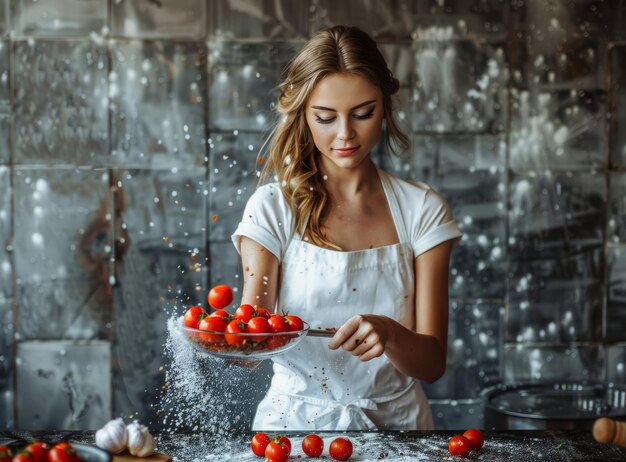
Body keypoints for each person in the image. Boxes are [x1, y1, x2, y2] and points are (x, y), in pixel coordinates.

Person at [231, 25, 462, 431]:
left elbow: (432, 365)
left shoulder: (422, 210)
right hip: (291, 430)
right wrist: (225, 337)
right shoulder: (272, 208)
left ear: (385, 107)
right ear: (303, 115)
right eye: (325, 117)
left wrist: (389, 333)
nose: (345, 135)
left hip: (399, 430)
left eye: (362, 113)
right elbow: (252, 341)